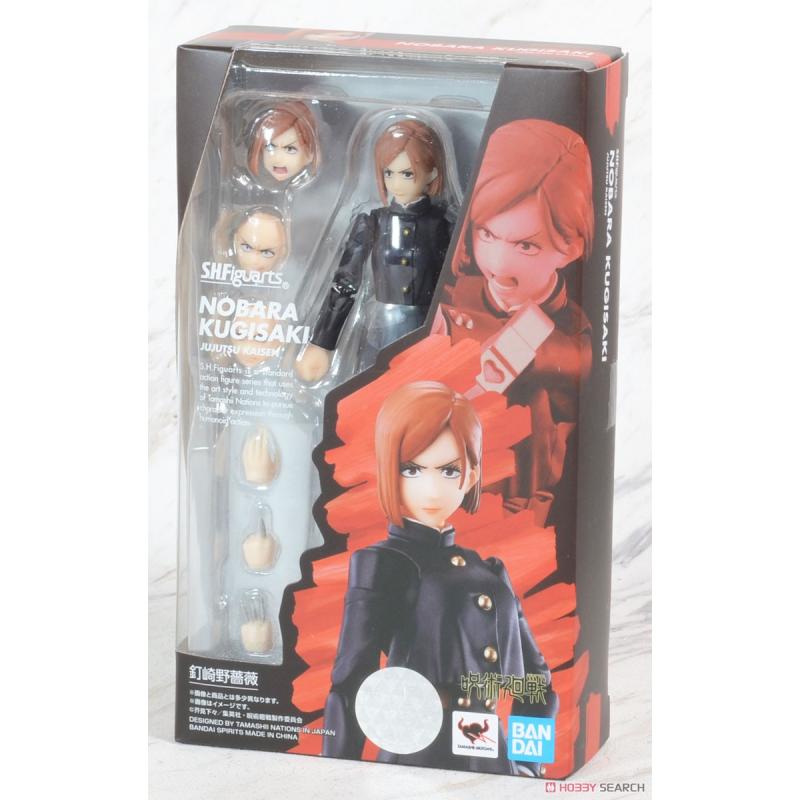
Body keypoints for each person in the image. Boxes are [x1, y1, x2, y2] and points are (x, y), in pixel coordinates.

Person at [322, 381, 557, 776]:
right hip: (417, 758)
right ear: (388, 469)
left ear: (471, 475)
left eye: (449, 470)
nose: (431, 488)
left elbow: (536, 685)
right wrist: (337, 779)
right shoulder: (382, 563)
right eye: (411, 469)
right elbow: (350, 685)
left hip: (493, 761)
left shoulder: (491, 571)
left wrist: (528, 766)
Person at [436, 119, 594, 523]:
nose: (499, 265)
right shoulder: (453, 300)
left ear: (572, 246)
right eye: (486, 234)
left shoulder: (569, 338)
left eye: (526, 245)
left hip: (514, 514)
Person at [295, 119, 452, 381]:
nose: (396, 183)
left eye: (407, 174)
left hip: (426, 331)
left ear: (432, 173)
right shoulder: (372, 222)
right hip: (379, 329)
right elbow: (345, 283)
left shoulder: (444, 225)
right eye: (389, 173)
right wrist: (322, 343)